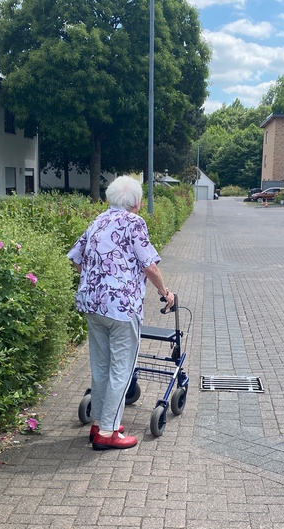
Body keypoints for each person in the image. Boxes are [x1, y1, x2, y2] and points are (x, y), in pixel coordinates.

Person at [67, 176, 175, 450]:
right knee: (121, 370)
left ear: (110, 199)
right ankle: (108, 432)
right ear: (137, 202)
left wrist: (98, 279)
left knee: (101, 367)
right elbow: (149, 266)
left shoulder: (97, 222)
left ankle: (99, 424)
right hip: (121, 309)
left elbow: (76, 259)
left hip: (93, 306)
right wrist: (165, 293)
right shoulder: (134, 223)